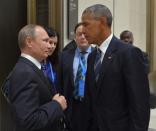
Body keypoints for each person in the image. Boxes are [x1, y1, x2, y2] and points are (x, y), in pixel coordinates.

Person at [81, 4, 150, 131]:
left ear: (102, 21)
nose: (83, 30)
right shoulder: (92, 57)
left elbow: (139, 104)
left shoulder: (128, 53)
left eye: (86, 24)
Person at [6, 24, 67, 131]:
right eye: (45, 41)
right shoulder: (24, 72)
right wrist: (56, 105)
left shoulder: (32, 67)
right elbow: (27, 122)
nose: (49, 46)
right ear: (29, 42)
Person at [59, 23, 94, 131]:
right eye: (79, 34)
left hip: (92, 106)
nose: (82, 37)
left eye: (85, 34)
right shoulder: (64, 56)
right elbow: (60, 82)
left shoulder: (98, 56)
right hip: (71, 105)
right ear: (75, 37)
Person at [41, 27, 60, 95]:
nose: (52, 46)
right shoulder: (35, 61)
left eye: (55, 44)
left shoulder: (57, 60)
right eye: (50, 42)